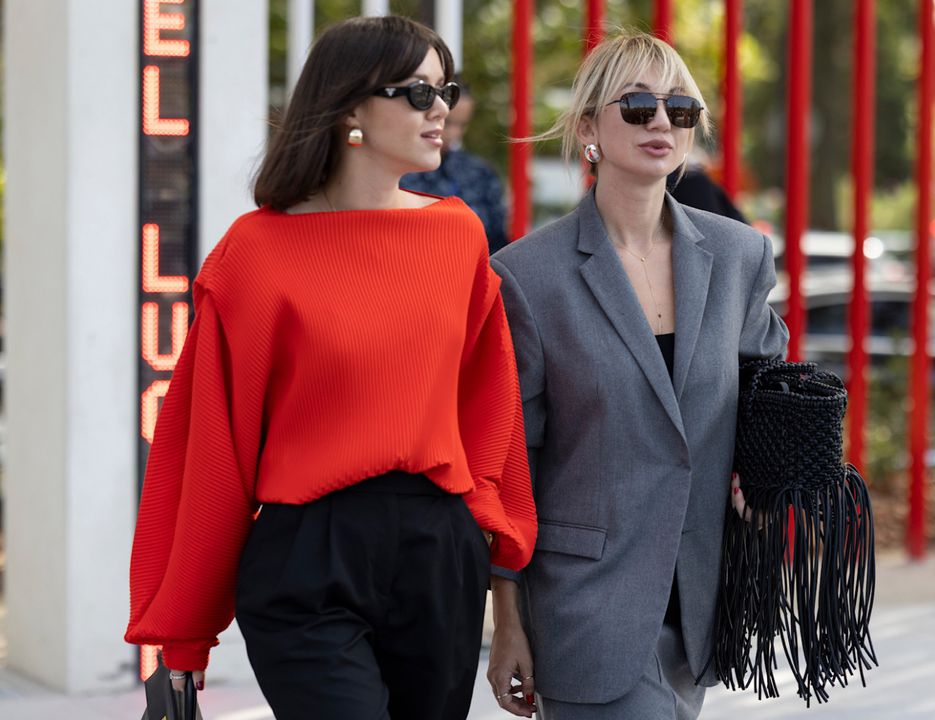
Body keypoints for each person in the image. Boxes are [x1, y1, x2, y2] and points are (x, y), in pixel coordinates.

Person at [124, 17, 536, 720]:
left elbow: (491, 416)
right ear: (350, 107)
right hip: (307, 557)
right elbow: (208, 450)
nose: (442, 109)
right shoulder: (255, 253)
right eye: (417, 92)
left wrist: (500, 575)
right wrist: (181, 643)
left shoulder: (458, 235)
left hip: (438, 554)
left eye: (447, 89)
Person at [486, 33, 788, 719]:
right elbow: (513, 464)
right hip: (586, 608)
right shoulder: (529, 277)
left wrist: (776, 481)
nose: (661, 121)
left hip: (702, 603)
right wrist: (507, 620)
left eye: (680, 109)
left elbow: (769, 397)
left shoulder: (739, 256)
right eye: (639, 105)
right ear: (588, 127)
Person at [401, 81, 510, 253]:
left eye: (462, 124)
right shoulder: (398, 172)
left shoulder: (480, 173)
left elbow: (498, 242)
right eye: (448, 122)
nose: (454, 133)